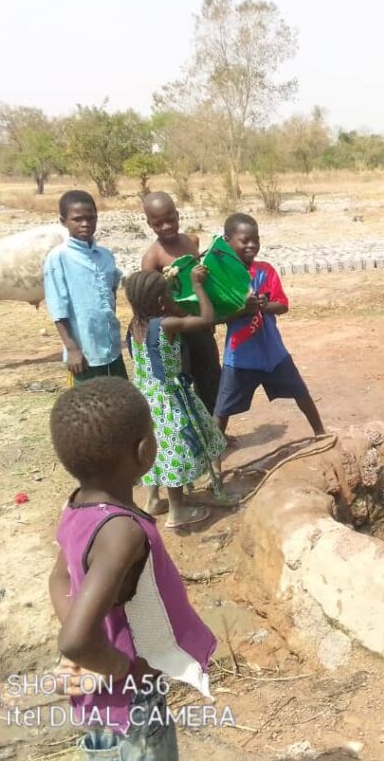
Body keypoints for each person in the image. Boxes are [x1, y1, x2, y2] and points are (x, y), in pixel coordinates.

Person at [48, 377, 216, 759]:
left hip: (92, 686)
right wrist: (121, 667)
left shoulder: (76, 506)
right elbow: (74, 640)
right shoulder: (121, 533)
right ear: (145, 451)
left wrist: (85, 647)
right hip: (128, 697)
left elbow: (58, 578)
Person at [124, 265, 224, 527]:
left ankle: (153, 500)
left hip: (146, 398)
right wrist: (197, 285)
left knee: (155, 449)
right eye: (169, 293)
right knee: (173, 450)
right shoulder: (166, 324)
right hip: (169, 398)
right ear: (160, 301)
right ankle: (178, 511)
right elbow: (206, 320)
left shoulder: (135, 326)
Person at [213, 213, 324, 444]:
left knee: (300, 392)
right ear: (227, 241)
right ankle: (215, 460)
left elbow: (282, 305)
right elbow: (217, 316)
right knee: (222, 409)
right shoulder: (221, 278)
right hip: (240, 356)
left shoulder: (265, 271)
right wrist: (244, 310)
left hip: (272, 351)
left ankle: (321, 433)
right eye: (245, 240)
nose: (252, 245)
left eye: (256, 240)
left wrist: (265, 305)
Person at [140, 191, 221, 414]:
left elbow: (204, 280)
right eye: (158, 223)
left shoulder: (191, 241)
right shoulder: (152, 258)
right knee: (183, 382)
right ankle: (192, 438)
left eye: (170, 219)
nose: (166, 226)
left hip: (201, 324)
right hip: (176, 331)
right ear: (149, 224)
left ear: (177, 215)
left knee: (211, 376)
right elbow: (150, 302)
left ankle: (215, 432)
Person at [45, 190, 125, 383]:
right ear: (63, 221)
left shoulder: (105, 256)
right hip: (85, 354)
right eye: (77, 219)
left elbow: (112, 291)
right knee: (91, 408)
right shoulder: (59, 258)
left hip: (112, 348)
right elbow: (58, 308)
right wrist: (72, 349)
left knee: (121, 404)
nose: (85, 224)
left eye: (90, 218)